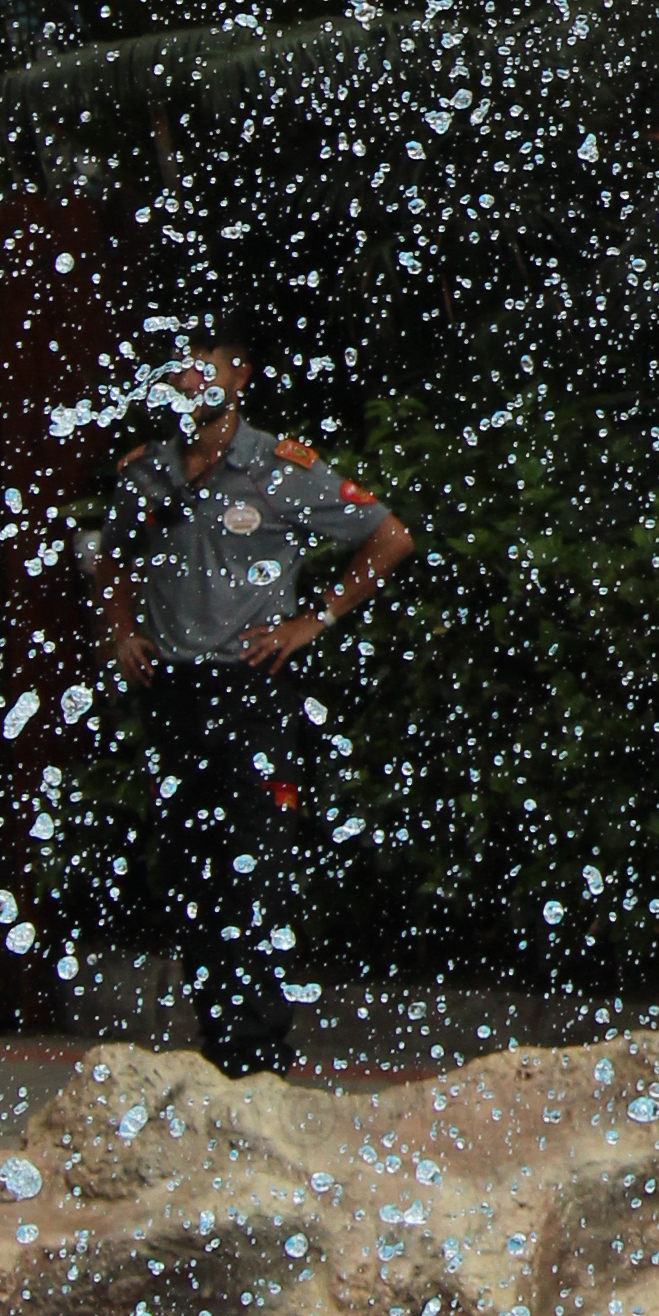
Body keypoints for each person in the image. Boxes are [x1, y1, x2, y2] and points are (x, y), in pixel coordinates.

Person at [90, 342, 416, 1075]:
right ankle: (217, 1042)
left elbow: (390, 536)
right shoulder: (149, 467)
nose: (190, 378)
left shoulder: (279, 468)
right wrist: (121, 632)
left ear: (239, 375)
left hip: (249, 692)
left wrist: (314, 620)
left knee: (252, 864)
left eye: (206, 364)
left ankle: (261, 1050)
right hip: (171, 692)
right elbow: (109, 554)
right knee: (187, 868)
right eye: (178, 366)